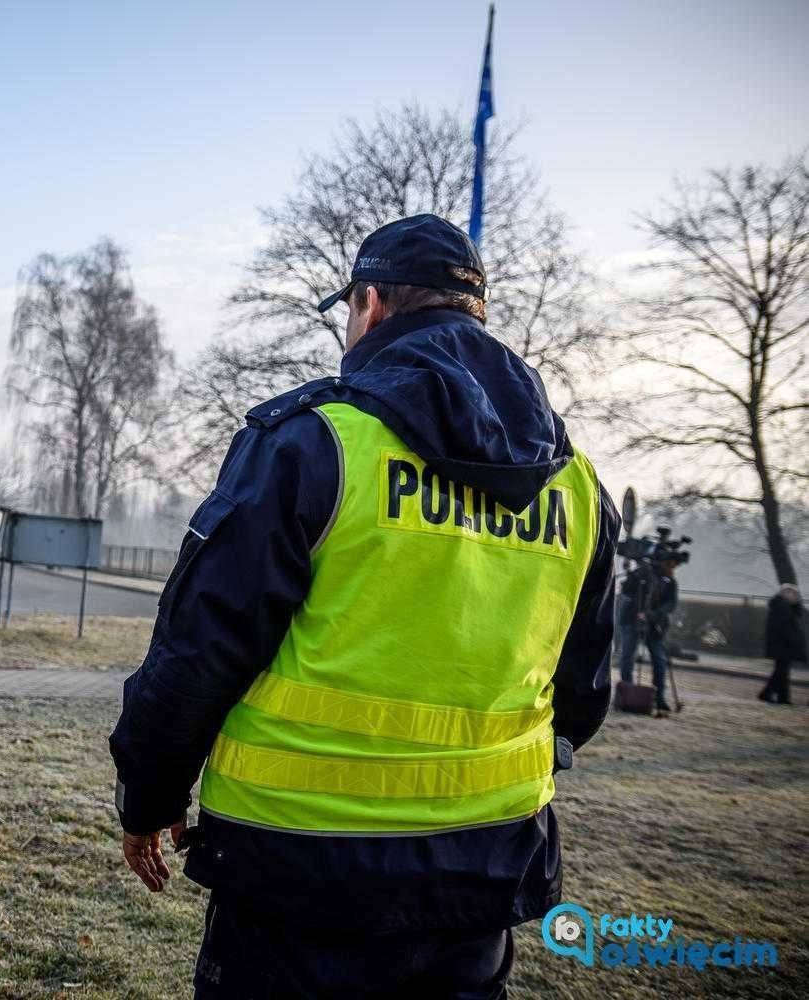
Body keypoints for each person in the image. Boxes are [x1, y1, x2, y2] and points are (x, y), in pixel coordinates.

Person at [109, 214, 618, 999]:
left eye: (348, 311)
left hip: (297, 868)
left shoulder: (312, 443)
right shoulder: (576, 485)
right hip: (481, 870)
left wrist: (148, 797)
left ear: (371, 305)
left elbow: (199, 653)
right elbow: (579, 697)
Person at [618, 557, 680, 715]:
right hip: (631, 619)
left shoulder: (669, 582)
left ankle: (659, 697)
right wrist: (637, 574)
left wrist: (653, 615)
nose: (672, 569)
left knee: (659, 660)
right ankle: (627, 694)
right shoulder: (640, 575)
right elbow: (626, 589)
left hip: (654, 625)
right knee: (627, 657)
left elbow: (670, 604)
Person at [761, 583, 804, 705]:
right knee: (781, 672)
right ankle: (770, 695)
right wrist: (794, 641)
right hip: (782, 644)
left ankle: (780, 697)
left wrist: (796, 604)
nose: (794, 596)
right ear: (785, 593)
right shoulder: (781, 608)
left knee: (781, 672)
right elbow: (785, 628)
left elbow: (796, 616)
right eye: (792, 593)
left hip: (782, 644)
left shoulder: (783, 607)